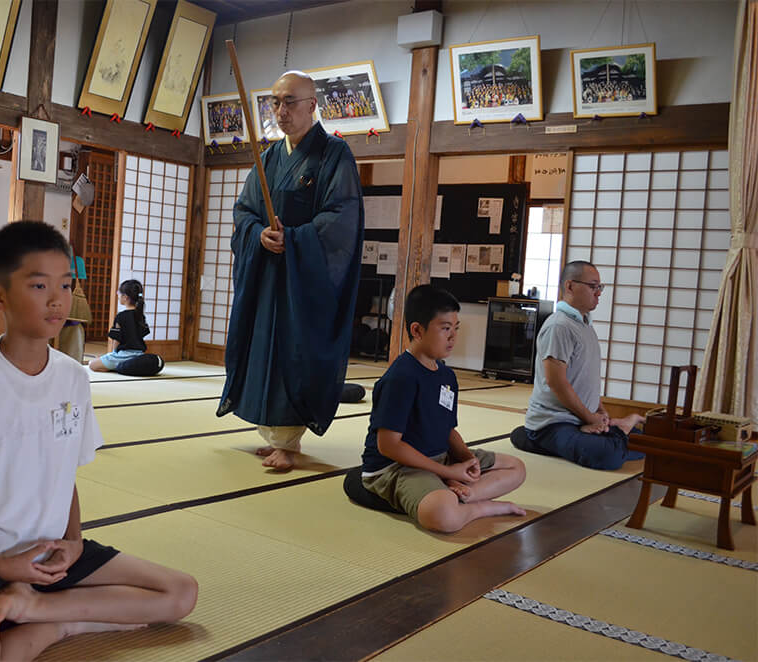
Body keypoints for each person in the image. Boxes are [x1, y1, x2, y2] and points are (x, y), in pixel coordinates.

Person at [0, 221, 197, 661]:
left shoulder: (72, 376)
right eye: (38, 285)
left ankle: (49, 616)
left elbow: (62, 474)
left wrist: (72, 542)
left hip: (47, 553)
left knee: (180, 593)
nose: (57, 300)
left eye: (66, 285)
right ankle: (52, 620)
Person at [218, 70, 364, 471]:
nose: (280, 111)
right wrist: (257, 233)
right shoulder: (268, 158)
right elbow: (244, 210)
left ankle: (289, 439)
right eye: (275, 102)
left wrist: (295, 240)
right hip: (268, 277)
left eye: (290, 102)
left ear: (312, 105)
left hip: (304, 280)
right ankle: (272, 433)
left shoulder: (335, 155)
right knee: (263, 347)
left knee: (294, 351)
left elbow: (341, 217)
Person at [360, 285, 527, 533]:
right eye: (445, 328)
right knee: (443, 515)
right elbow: (389, 445)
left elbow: (447, 428)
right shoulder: (401, 377)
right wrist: (447, 471)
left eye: (456, 329)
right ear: (417, 330)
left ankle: (464, 493)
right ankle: (479, 507)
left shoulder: (447, 375)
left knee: (516, 468)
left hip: (439, 458)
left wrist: (468, 460)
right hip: (397, 468)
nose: (453, 337)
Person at [511, 260, 646, 470]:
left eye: (600, 287)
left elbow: (583, 377)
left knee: (646, 442)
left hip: (579, 420)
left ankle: (616, 431)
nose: (598, 292)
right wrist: (590, 417)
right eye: (593, 286)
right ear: (570, 286)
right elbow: (557, 382)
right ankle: (536, 436)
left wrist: (600, 413)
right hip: (555, 422)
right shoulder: (559, 326)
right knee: (607, 456)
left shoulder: (584, 324)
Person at [88, 279, 149, 372]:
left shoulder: (121, 316)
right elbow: (142, 335)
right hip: (139, 355)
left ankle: (120, 366)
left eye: (119, 294)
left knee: (92, 364)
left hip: (123, 355)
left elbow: (116, 339)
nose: (118, 295)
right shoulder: (140, 315)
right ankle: (125, 366)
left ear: (125, 297)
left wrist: (112, 354)